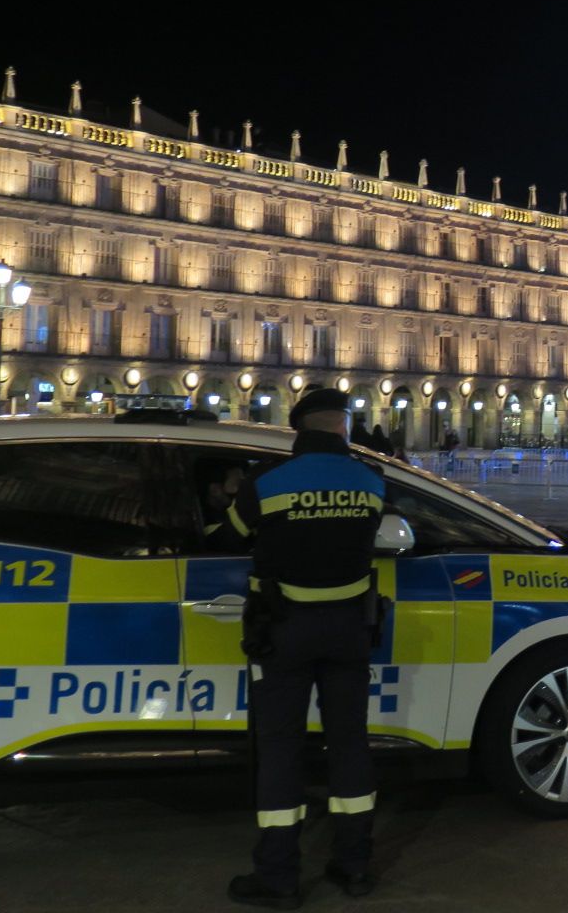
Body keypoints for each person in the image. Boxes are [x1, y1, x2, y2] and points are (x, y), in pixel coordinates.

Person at [227, 386, 386, 908]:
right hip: (349, 630)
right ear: (343, 426)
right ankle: (355, 865)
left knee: (280, 749)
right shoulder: (372, 481)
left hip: (284, 629)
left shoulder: (267, 482)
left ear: (299, 428)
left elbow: (229, 532)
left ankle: (278, 875)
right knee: (350, 745)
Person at [200, 460, 249, 551]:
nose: (240, 490)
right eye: (236, 483)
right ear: (215, 490)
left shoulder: (221, 516)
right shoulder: (210, 528)